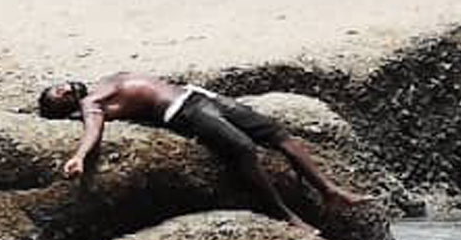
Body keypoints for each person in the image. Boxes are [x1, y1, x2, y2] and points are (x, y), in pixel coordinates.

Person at [37, 72, 369, 229]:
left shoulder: (100, 83)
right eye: (59, 96)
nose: (64, 89)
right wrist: (80, 156)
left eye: (59, 86)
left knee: (281, 136)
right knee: (244, 150)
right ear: (66, 109)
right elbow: (95, 128)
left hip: (200, 96)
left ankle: (329, 191)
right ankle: (285, 215)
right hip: (185, 112)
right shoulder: (90, 104)